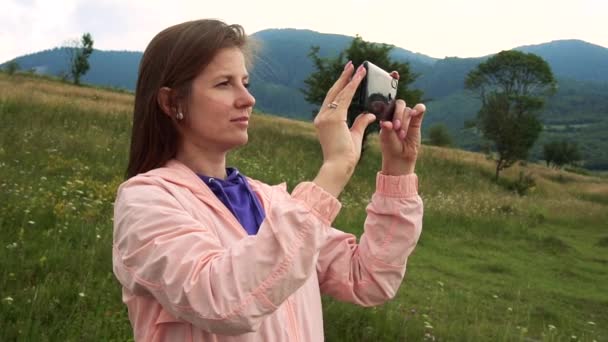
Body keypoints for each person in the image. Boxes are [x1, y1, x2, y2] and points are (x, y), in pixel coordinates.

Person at [112, 19, 425, 342]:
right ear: (172, 102)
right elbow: (223, 300)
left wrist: (397, 172)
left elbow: (367, 279)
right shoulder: (145, 202)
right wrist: (334, 169)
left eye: (245, 82)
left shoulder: (272, 201)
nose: (248, 99)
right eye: (224, 84)